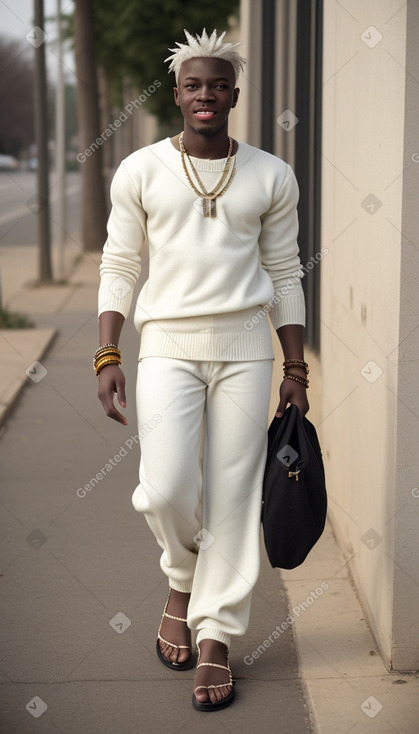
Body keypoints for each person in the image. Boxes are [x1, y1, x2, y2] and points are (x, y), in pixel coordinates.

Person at [96, 28, 309, 712]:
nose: (205, 94)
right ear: (178, 95)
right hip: (165, 346)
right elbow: (121, 264)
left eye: (217, 84)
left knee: (231, 496)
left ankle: (215, 635)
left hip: (245, 347)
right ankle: (181, 577)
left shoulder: (271, 174)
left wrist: (294, 367)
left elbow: (283, 271)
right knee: (165, 488)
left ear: (234, 95)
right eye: (193, 85)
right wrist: (107, 351)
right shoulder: (139, 170)